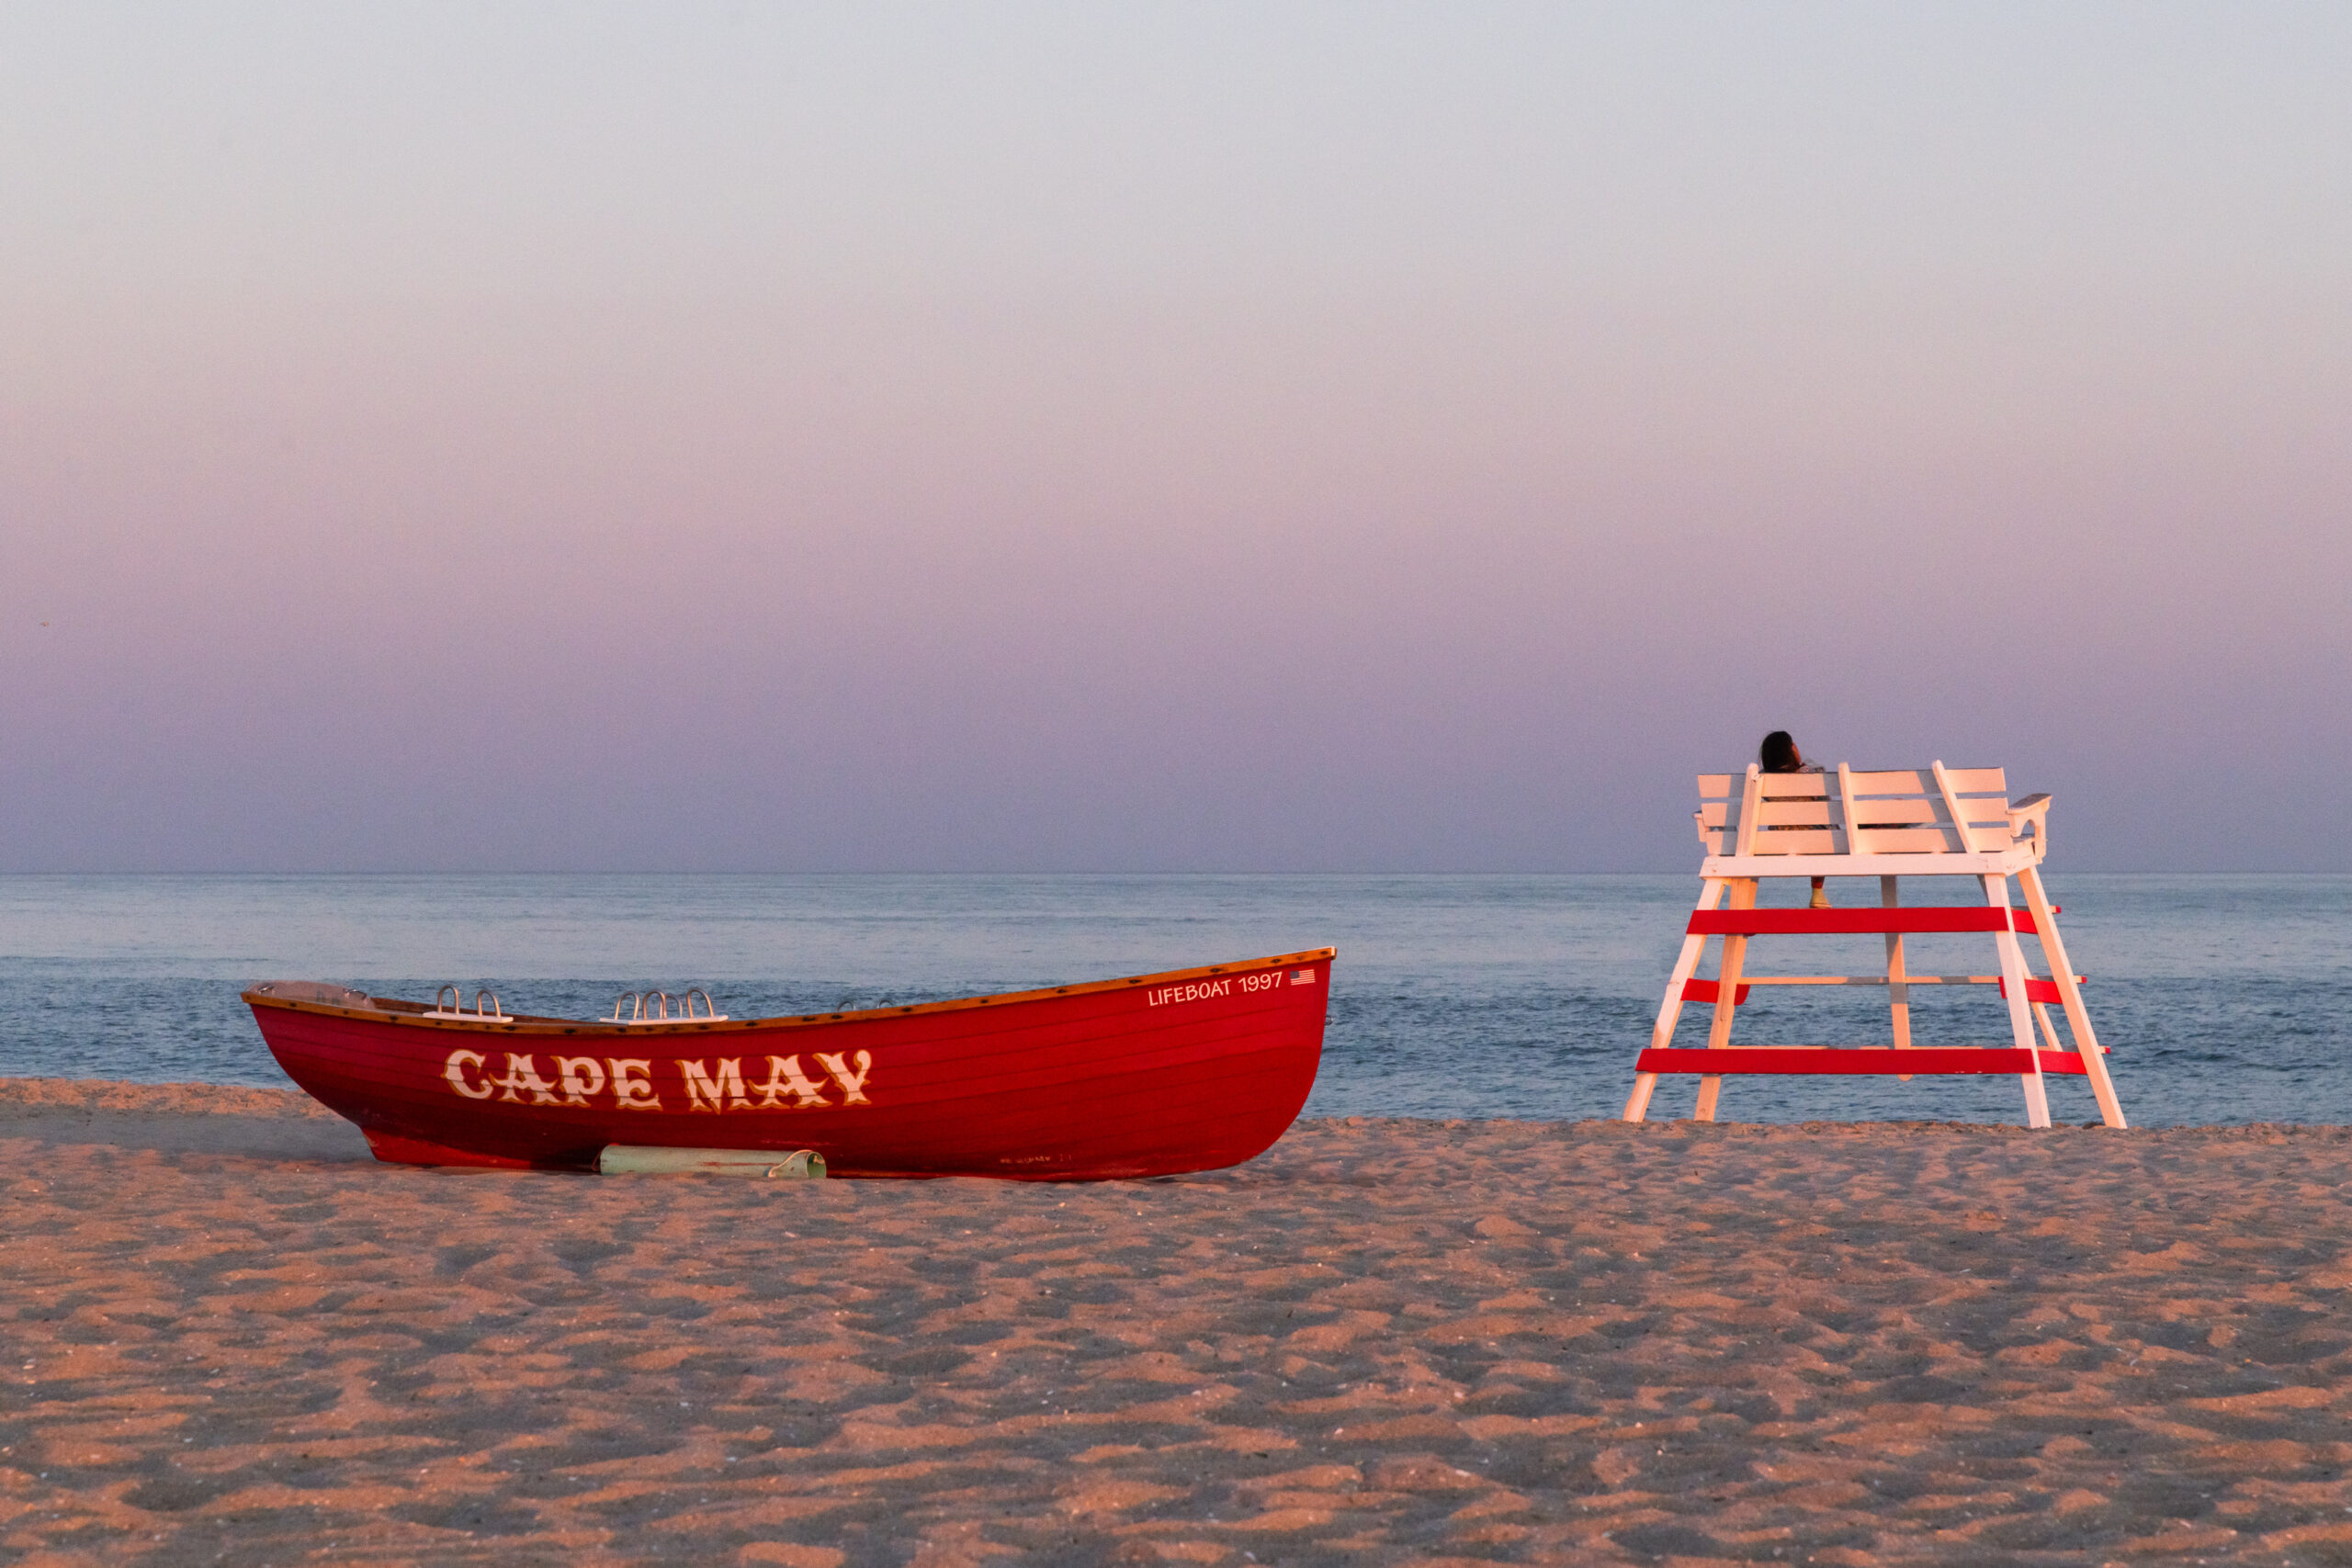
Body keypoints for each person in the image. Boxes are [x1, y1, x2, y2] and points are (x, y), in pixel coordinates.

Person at [1760, 730, 1832, 908]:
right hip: (1815, 842)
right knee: (1823, 832)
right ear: (1790, 751)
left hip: (1776, 842)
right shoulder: (1812, 773)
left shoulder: (1761, 779)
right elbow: (1826, 805)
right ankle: (1817, 891)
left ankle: (1743, 909)